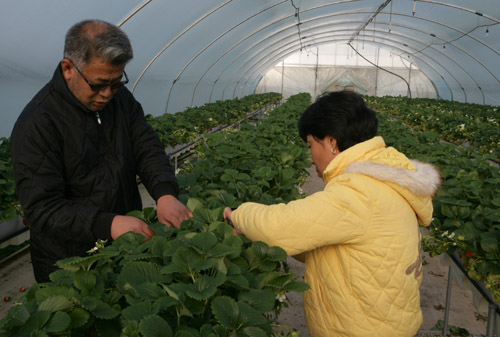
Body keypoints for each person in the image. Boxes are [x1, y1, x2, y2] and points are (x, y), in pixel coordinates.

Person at [224, 90, 441, 337]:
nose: (310, 156)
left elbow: (280, 227)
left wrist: (239, 215)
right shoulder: (380, 179)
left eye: (310, 145)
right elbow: (334, 249)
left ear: (331, 142)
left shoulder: (360, 192)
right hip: (381, 322)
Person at [10, 19, 192, 283]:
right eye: (98, 84)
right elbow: (43, 209)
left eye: (116, 82)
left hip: (124, 245)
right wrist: (108, 224)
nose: (107, 93)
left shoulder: (120, 99)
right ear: (68, 68)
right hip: (70, 264)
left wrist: (164, 193)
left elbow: (146, 146)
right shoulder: (38, 123)